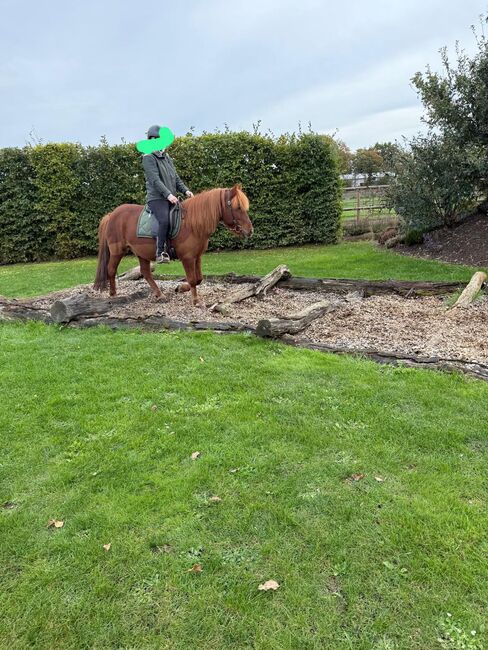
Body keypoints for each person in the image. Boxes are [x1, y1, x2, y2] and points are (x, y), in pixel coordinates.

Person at [141, 125, 193, 263]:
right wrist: (168, 195)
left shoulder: (166, 157)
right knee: (164, 220)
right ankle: (160, 253)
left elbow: (175, 178)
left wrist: (186, 190)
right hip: (157, 198)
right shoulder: (148, 157)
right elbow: (155, 180)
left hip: (171, 197)